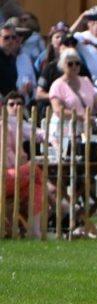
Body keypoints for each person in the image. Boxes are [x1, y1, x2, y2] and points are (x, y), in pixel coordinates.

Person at [2, 91, 45, 237]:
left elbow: (38, 133)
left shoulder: (11, 125)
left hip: (11, 177)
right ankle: (35, 230)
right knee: (35, 171)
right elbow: (13, 160)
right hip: (5, 177)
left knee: (35, 185)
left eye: (19, 104)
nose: (15, 107)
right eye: (11, 104)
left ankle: (34, 230)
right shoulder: (6, 126)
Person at [72, 6, 97, 80]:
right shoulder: (81, 36)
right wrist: (81, 17)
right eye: (93, 22)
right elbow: (67, 35)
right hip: (89, 80)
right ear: (88, 23)